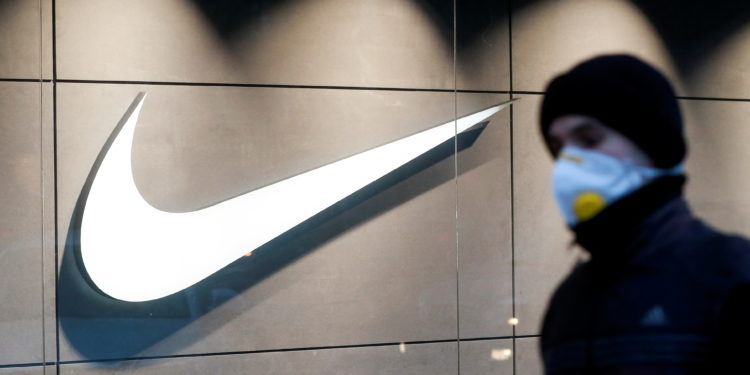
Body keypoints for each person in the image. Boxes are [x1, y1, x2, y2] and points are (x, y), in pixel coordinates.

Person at [538, 54, 750, 374]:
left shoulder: (731, 274)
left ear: (652, 145)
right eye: (559, 148)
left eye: (589, 140)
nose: (569, 164)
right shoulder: (568, 302)